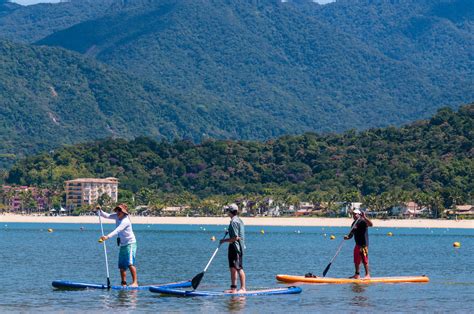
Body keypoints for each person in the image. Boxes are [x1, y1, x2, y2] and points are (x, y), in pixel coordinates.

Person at [97, 204, 138, 287]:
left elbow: (117, 230)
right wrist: (100, 211)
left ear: (124, 212)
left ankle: (135, 283)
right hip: (123, 244)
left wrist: (107, 237)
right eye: (117, 210)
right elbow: (107, 216)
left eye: (120, 211)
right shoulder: (116, 216)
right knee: (122, 266)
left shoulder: (125, 221)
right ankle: (124, 283)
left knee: (130, 263)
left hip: (130, 243)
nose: (118, 212)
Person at [220, 203, 246, 293]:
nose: (227, 212)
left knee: (238, 268)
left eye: (227, 210)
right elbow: (235, 234)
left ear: (230, 211)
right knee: (232, 268)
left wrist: (223, 241)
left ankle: (243, 288)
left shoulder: (234, 221)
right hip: (232, 247)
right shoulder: (236, 220)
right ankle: (233, 288)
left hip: (236, 248)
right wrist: (229, 231)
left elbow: (235, 238)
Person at [344, 208, 373, 279]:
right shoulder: (354, 223)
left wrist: (364, 217)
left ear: (359, 214)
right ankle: (357, 274)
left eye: (355, 214)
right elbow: (351, 234)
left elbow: (371, 224)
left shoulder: (363, 221)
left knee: (364, 260)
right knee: (356, 260)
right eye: (353, 214)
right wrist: (347, 237)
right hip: (357, 244)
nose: (353, 215)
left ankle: (367, 275)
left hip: (363, 245)